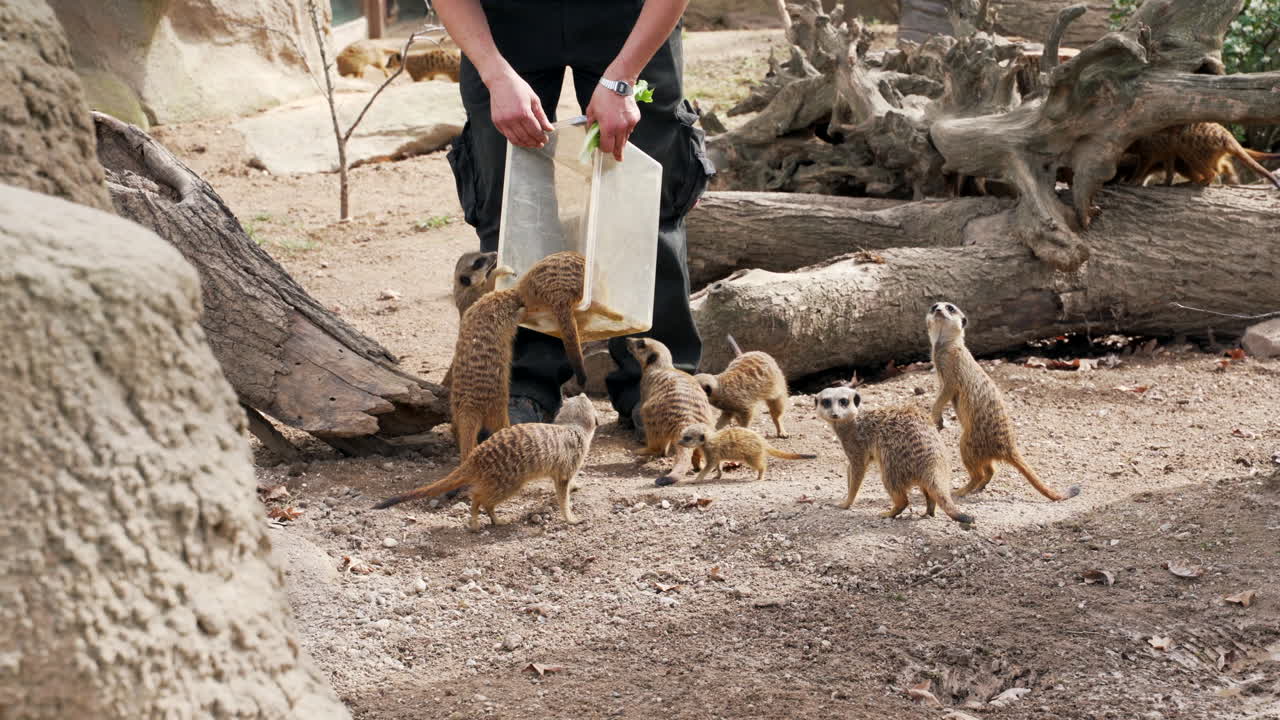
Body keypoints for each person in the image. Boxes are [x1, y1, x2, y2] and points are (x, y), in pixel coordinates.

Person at [439, 0, 713, 437]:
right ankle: (521, 386)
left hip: (629, 16)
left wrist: (623, 80)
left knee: (646, 193)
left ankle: (660, 380)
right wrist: (494, 74)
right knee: (505, 195)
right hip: (501, 22)